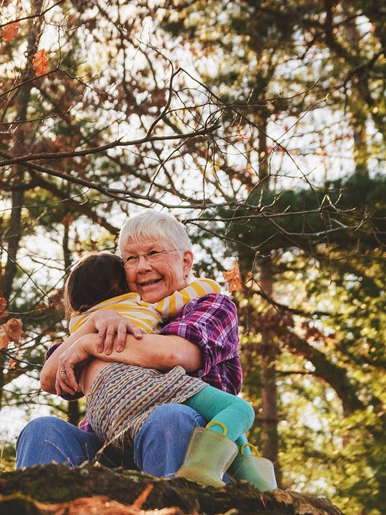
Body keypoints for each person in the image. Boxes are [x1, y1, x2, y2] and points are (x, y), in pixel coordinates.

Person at [16, 210, 275, 489]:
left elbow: (176, 354)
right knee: (41, 430)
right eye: (131, 258)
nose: (142, 266)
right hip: (109, 446)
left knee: (169, 417)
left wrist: (90, 345)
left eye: (153, 253)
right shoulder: (114, 313)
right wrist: (92, 323)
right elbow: (50, 377)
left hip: (184, 442)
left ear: (185, 261)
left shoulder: (209, 305)